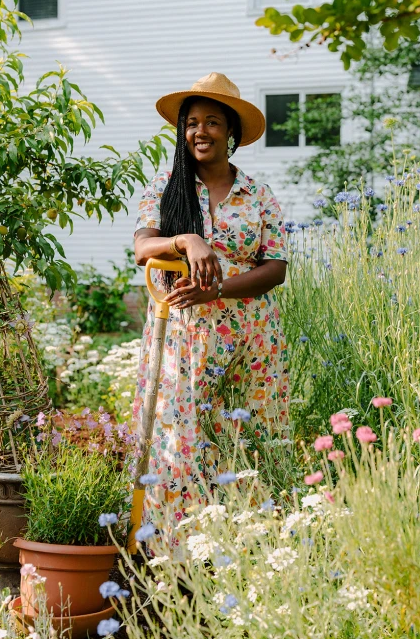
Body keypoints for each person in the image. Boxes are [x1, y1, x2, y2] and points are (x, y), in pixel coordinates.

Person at [133, 72, 289, 554]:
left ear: (232, 133)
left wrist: (217, 289)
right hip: (182, 336)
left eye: (213, 122)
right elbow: (142, 247)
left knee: (247, 437)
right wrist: (187, 238)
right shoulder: (168, 185)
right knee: (181, 438)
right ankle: (175, 557)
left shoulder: (258, 195)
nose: (201, 131)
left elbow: (276, 268)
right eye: (192, 122)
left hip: (252, 341)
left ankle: (247, 548)